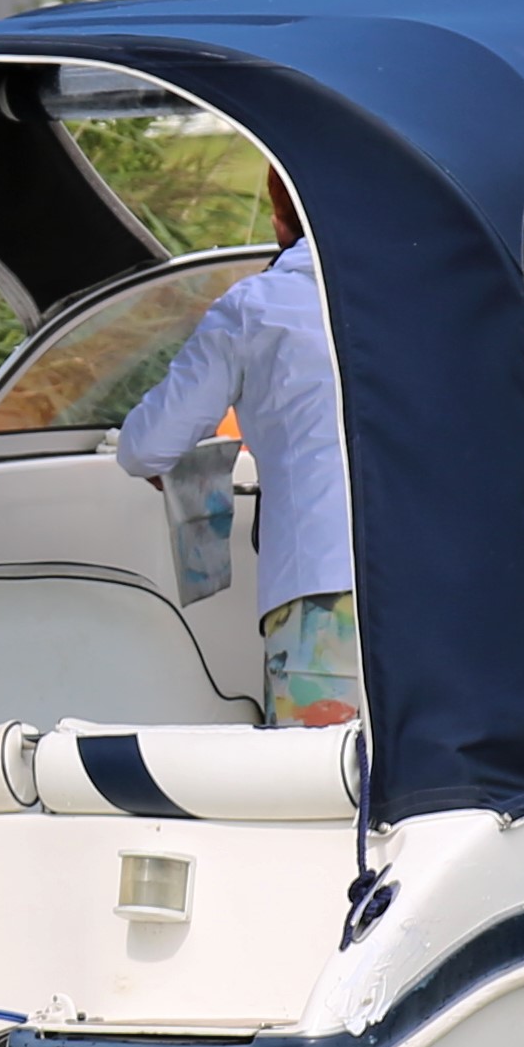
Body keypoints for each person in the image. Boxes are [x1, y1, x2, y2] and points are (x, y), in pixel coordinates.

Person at [114, 172, 359, 727]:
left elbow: (145, 448)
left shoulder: (257, 308)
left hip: (322, 589)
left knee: (320, 781)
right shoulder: (432, 299)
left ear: (279, 222)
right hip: (442, 583)